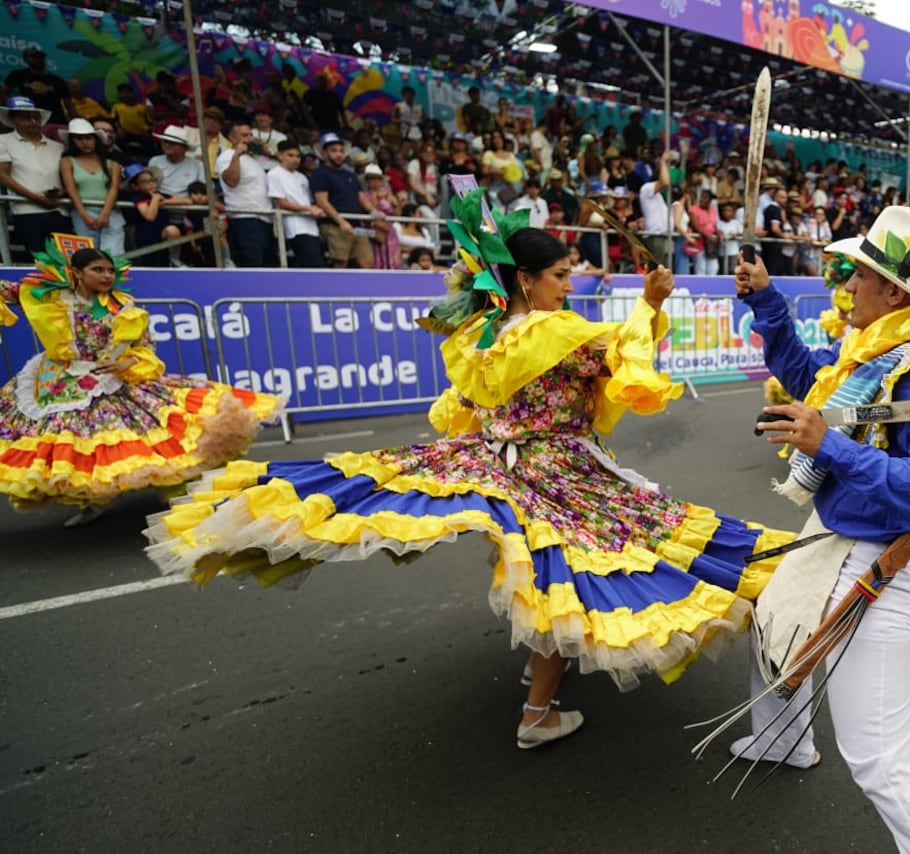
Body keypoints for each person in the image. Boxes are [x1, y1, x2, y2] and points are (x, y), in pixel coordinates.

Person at [144, 193, 794, 749]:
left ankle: (541, 678)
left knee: (542, 573)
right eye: (560, 275)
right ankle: (537, 714)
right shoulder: (555, 334)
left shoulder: (482, 336)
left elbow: (468, 405)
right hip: (556, 474)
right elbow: (624, 356)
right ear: (525, 280)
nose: (568, 286)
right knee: (568, 580)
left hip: (499, 463)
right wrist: (651, 303)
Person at [730, 206, 910, 852]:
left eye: (860, 275)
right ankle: (781, 740)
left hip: (880, 562)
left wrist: (831, 447)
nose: (848, 284)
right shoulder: (875, 347)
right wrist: (766, 299)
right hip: (840, 537)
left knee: (881, 755)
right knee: (771, 624)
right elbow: (810, 379)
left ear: (895, 293)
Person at [0, 236, 282, 526]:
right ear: (77, 273)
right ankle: (92, 502)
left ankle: (180, 494)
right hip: (60, 383)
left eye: (110, 270)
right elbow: (7, 291)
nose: (106, 276)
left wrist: (126, 362)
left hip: (111, 379)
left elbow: (145, 347)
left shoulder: (123, 307)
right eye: (97, 270)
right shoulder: (52, 299)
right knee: (73, 446)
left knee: (148, 437)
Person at [0, 95, 74, 258]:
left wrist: (61, 193)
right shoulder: (3, 141)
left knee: (68, 260)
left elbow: (67, 178)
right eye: (26, 118)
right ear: (13, 119)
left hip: (59, 209)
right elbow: (3, 176)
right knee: (38, 260)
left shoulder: (57, 147)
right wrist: (36, 198)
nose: (33, 121)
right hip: (26, 211)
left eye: (36, 117)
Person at [58, 118, 125, 255]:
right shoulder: (67, 161)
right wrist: (84, 215)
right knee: (89, 256)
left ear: (96, 139)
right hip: (83, 212)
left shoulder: (112, 163)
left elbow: (114, 188)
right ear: (73, 141)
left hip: (110, 212)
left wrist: (105, 214)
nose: (85, 143)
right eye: (79, 139)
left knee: (113, 255)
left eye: (88, 138)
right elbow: (71, 189)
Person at [217, 120, 278, 268]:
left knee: (269, 266)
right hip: (245, 218)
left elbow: (283, 161)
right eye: (244, 135)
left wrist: (267, 151)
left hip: (265, 218)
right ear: (232, 138)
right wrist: (236, 155)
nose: (249, 138)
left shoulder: (254, 158)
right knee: (252, 266)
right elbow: (231, 181)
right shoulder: (227, 156)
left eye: (251, 134)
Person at [309, 132, 375, 269]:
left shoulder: (349, 175)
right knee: (340, 263)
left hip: (356, 225)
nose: (339, 154)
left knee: (367, 263)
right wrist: (341, 222)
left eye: (341, 151)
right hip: (334, 225)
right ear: (324, 153)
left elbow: (361, 197)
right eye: (334, 151)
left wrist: (374, 211)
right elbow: (322, 202)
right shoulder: (320, 173)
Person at [267, 139, 327, 268]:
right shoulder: (274, 174)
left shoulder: (302, 177)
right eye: (291, 155)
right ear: (280, 156)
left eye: (298, 156)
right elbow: (282, 203)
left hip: (311, 226)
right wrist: (308, 209)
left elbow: (309, 201)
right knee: (313, 266)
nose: (295, 159)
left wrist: (312, 209)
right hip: (295, 228)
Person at [1, 46, 69, 125]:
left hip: (56, 122)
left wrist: (74, 121)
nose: (38, 59)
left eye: (40, 56)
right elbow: (3, 91)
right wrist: (8, 111)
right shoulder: (18, 75)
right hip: (30, 121)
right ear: (25, 59)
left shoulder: (57, 80)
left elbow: (69, 103)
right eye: (33, 57)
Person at [359, 164, 400, 270]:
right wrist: (379, 199)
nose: (376, 181)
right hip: (373, 231)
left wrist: (395, 203)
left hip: (389, 231)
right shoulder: (364, 195)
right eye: (372, 178)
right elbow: (371, 210)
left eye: (378, 178)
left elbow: (397, 214)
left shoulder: (388, 194)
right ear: (367, 180)